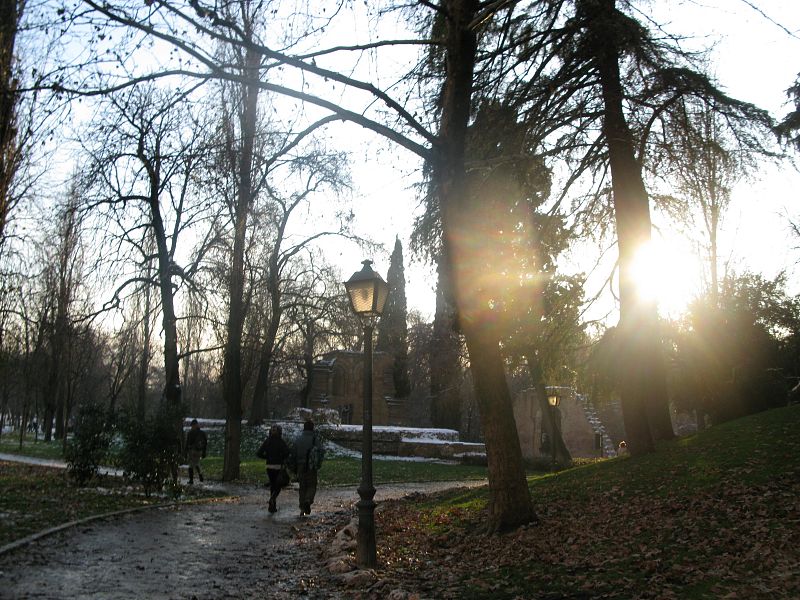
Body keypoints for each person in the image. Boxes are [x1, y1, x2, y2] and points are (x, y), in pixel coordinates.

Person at [292, 419, 324, 516]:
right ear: (312, 428)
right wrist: (318, 463)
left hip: (300, 466)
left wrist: (294, 466)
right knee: (311, 485)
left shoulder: (298, 439)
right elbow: (321, 451)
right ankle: (308, 500)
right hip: (311, 466)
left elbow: (293, 453)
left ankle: (302, 507)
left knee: (302, 486)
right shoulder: (314, 439)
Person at [256, 425, 290, 513]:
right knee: (278, 486)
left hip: (269, 466)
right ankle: (273, 499)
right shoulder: (281, 442)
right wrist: (281, 458)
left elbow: (259, 453)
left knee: (272, 485)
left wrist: (267, 457)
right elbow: (287, 452)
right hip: (278, 466)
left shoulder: (267, 441)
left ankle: (272, 506)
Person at [185, 419, 207, 484]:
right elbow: (205, 443)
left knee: (191, 465)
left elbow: (187, 443)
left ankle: (191, 480)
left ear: (193, 425)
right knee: (197, 463)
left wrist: (185, 451)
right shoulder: (202, 433)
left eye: (192, 426)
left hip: (192, 451)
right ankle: (200, 476)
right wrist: (204, 452)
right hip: (199, 451)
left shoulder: (190, 433)